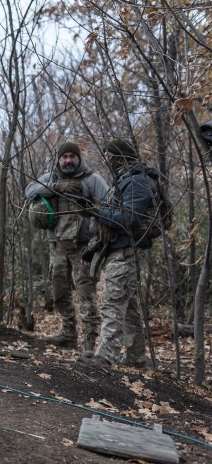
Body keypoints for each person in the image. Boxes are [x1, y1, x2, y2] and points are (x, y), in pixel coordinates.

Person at [80, 138, 159, 369]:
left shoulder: (137, 181)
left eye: (112, 157)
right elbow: (112, 223)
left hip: (129, 251)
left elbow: (129, 219)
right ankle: (135, 358)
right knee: (130, 307)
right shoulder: (125, 180)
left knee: (112, 302)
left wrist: (96, 212)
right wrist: (93, 247)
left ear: (122, 157)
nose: (109, 161)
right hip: (120, 249)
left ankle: (105, 357)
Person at [25, 141, 108, 356]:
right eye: (64, 157)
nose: (68, 160)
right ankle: (68, 334)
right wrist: (56, 187)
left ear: (79, 159)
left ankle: (89, 342)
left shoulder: (92, 180)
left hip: (84, 249)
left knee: (86, 294)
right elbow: (29, 191)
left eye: (72, 156)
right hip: (57, 247)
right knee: (59, 292)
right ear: (59, 159)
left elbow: (110, 205)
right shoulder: (50, 178)